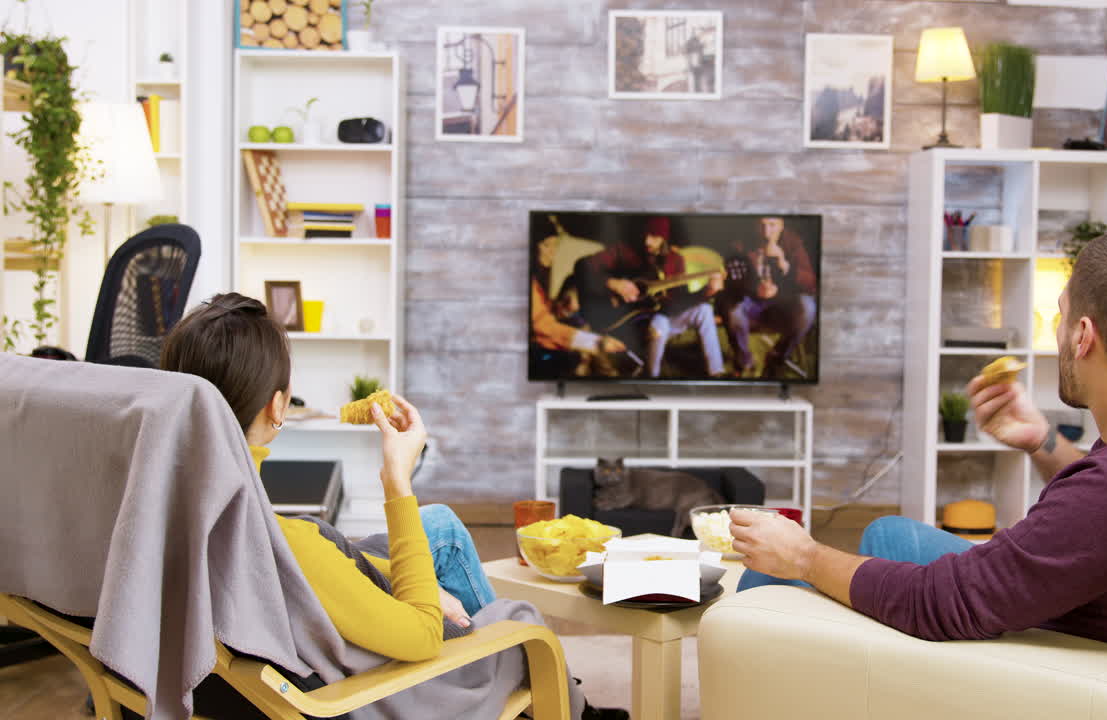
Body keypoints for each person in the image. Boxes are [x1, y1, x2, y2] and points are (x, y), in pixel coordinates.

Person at [729, 231, 1107, 652]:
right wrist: (1043, 442)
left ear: (1083, 336)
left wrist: (802, 557)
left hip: (1036, 643)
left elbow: (940, 604)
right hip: (1077, 596)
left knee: (767, 578)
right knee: (892, 535)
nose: (1056, 326)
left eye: (1060, 312)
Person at [160, 293, 626, 720]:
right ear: (277, 407)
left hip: (304, 633)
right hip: (367, 693)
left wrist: (406, 586)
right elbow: (420, 636)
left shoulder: (164, 509)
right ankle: (564, 703)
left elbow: (331, 575)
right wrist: (396, 480)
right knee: (520, 619)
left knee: (438, 528)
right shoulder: (286, 547)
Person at [580, 216, 725, 378]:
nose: (647, 241)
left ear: (664, 238)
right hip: (631, 321)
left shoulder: (676, 260)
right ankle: (651, 376)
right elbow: (584, 265)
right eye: (646, 234)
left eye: (654, 237)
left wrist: (707, 291)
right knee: (659, 325)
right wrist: (612, 283)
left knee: (704, 310)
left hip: (663, 315)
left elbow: (680, 300)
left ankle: (716, 372)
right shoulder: (624, 251)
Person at [723, 216, 816, 378]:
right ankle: (744, 362)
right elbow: (730, 284)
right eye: (762, 225)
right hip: (751, 306)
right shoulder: (741, 245)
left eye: (772, 225)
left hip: (781, 308)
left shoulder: (793, 244)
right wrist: (752, 289)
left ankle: (777, 357)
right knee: (732, 308)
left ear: (781, 226)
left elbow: (810, 283)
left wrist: (784, 264)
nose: (766, 232)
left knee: (808, 306)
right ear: (755, 226)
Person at [530, 232, 626, 377]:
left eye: (556, 246)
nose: (552, 253)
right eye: (546, 245)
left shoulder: (540, 279)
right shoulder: (532, 283)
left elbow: (544, 313)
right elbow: (542, 325)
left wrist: (560, 308)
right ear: (533, 246)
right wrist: (595, 342)